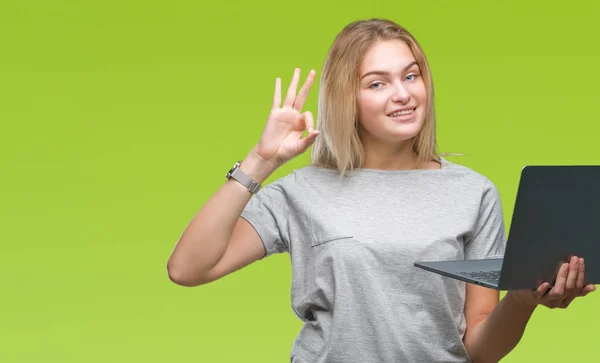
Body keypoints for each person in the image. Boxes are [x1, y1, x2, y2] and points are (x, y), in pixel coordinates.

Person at [166, 19, 596, 363]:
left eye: (411, 76)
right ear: (346, 98)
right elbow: (187, 269)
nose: (403, 94)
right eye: (377, 83)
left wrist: (522, 300)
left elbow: (479, 350)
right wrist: (260, 161)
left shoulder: (472, 193)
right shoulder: (301, 192)